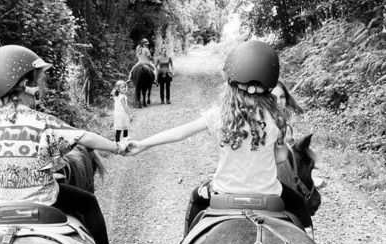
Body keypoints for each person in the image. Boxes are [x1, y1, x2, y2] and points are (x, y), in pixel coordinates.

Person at [0, 45, 125, 244]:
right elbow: (83, 137)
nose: (38, 87)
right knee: (88, 202)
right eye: (35, 80)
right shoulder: (43, 121)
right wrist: (118, 146)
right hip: (41, 200)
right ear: (24, 86)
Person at [125, 40, 312, 229]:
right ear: (269, 84)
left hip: (224, 195)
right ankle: (309, 236)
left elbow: (179, 133)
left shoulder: (220, 115)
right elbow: (280, 157)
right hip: (270, 198)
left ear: (231, 81)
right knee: (297, 203)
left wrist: (142, 144)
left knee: (196, 199)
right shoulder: (275, 116)